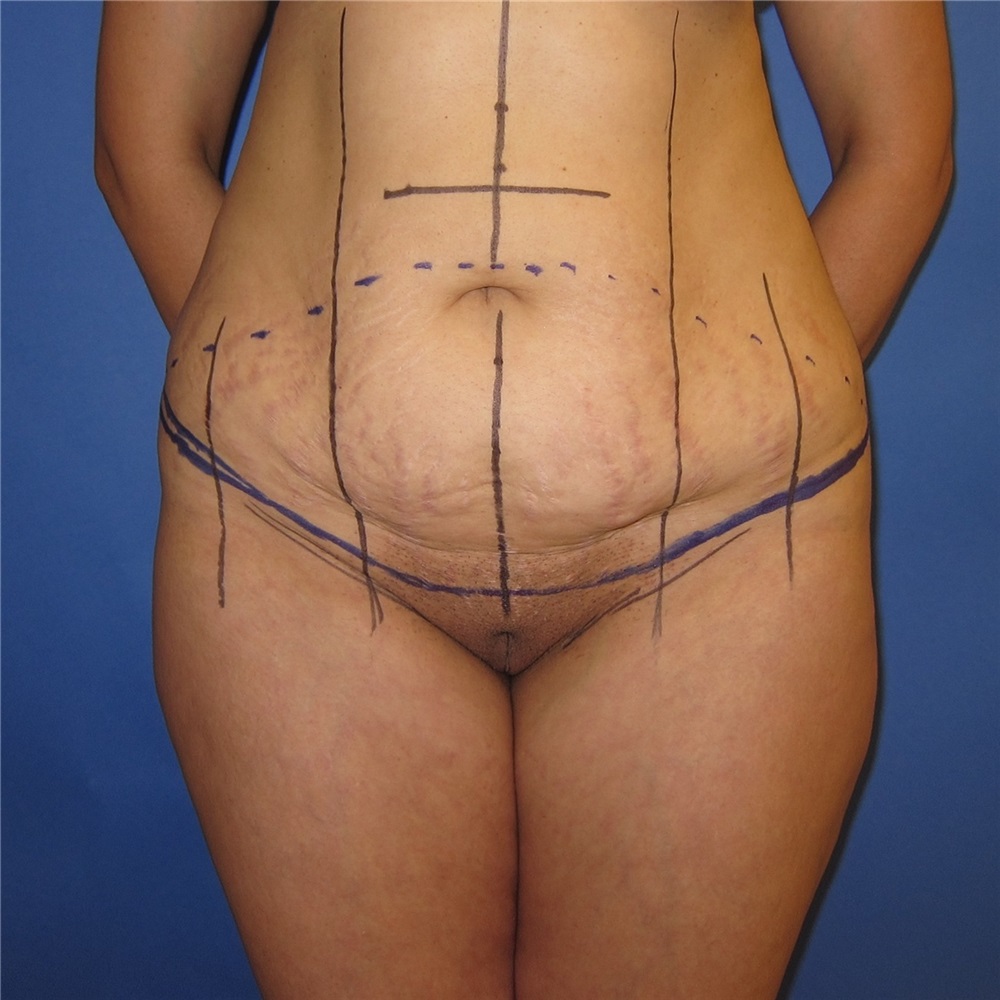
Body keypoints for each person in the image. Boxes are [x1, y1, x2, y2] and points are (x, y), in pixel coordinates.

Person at [95, 3, 953, 997]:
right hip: (298, 523)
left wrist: (752, 402)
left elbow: (900, 145)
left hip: (725, 535)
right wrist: (283, 393)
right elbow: (143, 144)